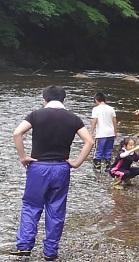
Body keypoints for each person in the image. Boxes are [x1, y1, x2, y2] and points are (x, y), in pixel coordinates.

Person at [9, 86, 94, 261]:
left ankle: (24, 246)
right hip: (61, 168)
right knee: (56, 209)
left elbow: (17, 133)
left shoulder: (36, 115)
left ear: (44, 99)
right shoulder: (73, 118)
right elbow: (89, 141)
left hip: (38, 167)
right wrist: (77, 163)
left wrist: (23, 157)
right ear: (64, 100)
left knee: (31, 206)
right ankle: (50, 251)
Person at [90, 92, 118, 172]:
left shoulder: (96, 109)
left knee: (99, 150)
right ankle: (108, 165)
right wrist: (115, 132)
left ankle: (97, 165)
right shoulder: (111, 108)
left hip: (101, 134)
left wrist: (91, 132)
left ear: (96, 100)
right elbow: (114, 121)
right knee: (108, 149)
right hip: (110, 133)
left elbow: (95, 121)